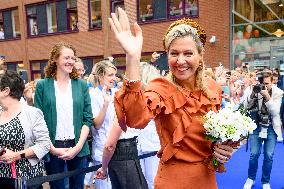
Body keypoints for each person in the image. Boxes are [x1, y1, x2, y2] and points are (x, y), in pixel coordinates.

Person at [108, 8, 234, 189]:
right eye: (174, 53)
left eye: (188, 53)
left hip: (207, 179)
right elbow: (135, 119)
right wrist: (133, 58)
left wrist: (223, 148)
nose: (180, 60)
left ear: (200, 56)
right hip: (173, 181)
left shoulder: (213, 88)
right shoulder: (161, 88)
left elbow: (216, 135)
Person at [34, 43, 93, 189]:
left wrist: (78, 147)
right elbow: (38, 120)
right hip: (52, 147)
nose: (71, 61)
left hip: (78, 147)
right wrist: (52, 148)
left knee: (77, 186)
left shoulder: (81, 85)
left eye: (73, 58)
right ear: (55, 59)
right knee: (57, 187)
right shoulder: (42, 85)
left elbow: (88, 118)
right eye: (67, 57)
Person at [0, 70, 51, 189]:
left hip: (26, 179)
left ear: (6, 91)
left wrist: (17, 155)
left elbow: (44, 144)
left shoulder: (32, 113)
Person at [243, 71, 283, 189]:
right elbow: (245, 107)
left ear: (273, 82)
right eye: (262, 83)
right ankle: (251, 178)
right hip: (256, 125)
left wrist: (267, 96)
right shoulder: (254, 89)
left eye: (267, 83)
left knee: (268, 155)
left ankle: (265, 181)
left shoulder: (278, 92)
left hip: (271, 127)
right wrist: (252, 94)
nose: (264, 86)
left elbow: (275, 111)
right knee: (254, 154)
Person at [88, 60, 118, 189]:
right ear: (100, 76)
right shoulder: (93, 95)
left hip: (119, 150)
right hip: (102, 149)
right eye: (110, 75)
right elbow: (97, 125)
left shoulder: (118, 93)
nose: (114, 78)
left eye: (114, 75)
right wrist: (105, 104)